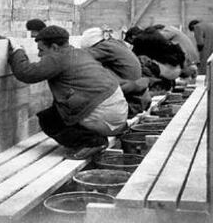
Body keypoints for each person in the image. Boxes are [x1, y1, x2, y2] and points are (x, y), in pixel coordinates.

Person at [7, 25, 128, 160]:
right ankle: (92, 138)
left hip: (105, 117)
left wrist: (17, 51)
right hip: (119, 115)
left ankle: (92, 143)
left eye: (41, 50)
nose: (40, 55)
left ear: (54, 47)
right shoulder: (80, 53)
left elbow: (26, 73)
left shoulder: (58, 57)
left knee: (49, 120)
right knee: (60, 106)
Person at [81, 27, 151, 118]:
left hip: (129, 99)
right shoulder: (115, 43)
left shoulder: (104, 47)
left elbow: (78, 58)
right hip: (139, 96)